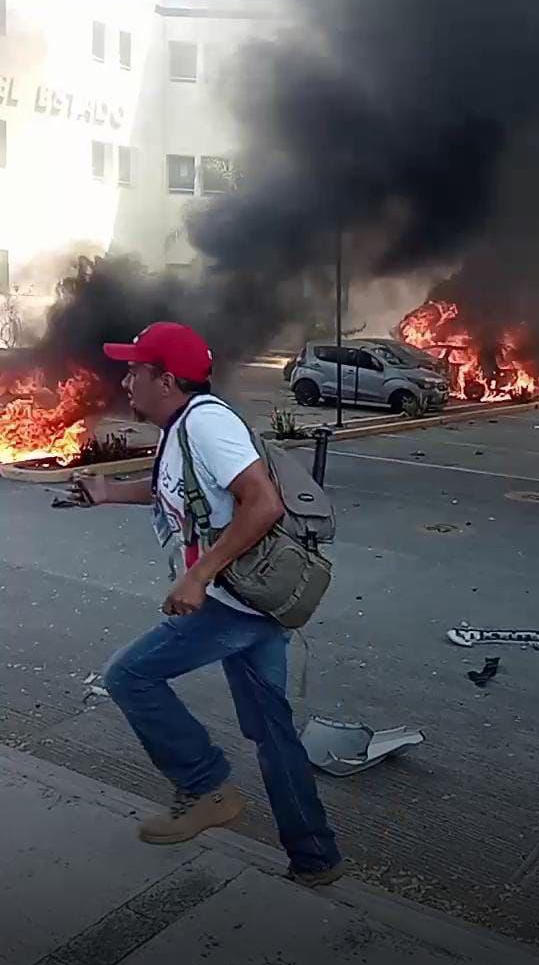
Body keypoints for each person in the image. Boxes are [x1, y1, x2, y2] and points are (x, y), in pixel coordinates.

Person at [75, 322, 343, 888]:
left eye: (134, 371)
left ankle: (206, 787)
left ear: (165, 379)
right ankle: (315, 856)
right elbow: (181, 488)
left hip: (235, 602)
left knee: (129, 676)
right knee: (272, 729)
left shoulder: (207, 422)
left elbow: (262, 503)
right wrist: (109, 493)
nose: (125, 381)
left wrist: (198, 576)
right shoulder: (183, 425)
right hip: (250, 600)